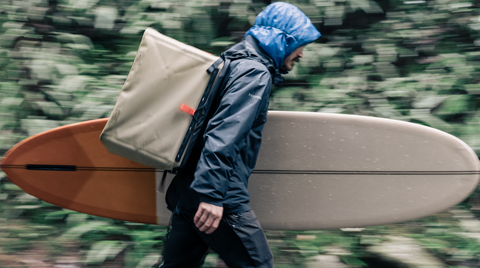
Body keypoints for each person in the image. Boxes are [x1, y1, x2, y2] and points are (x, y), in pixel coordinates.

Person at [156, 2, 321, 268]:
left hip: (189, 187)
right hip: (218, 193)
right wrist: (211, 195)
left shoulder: (231, 61)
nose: (301, 54)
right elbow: (224, 133)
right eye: (299, 44)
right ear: (281, 40)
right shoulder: (254, 72)